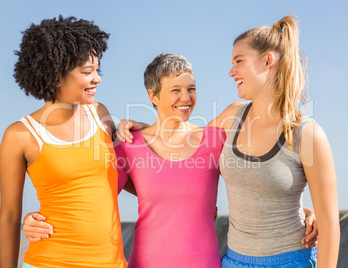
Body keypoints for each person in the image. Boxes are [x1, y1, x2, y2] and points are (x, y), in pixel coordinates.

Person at [22, 53, 318, 267]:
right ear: (153, 95)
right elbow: (92, 199)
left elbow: (256, 183)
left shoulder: (214, 140)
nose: (186, 98)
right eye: (175, 90)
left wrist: (303, 210)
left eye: (191, 89)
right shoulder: (129, 145)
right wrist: (35, 219)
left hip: (205, 263)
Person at [207, 15, 339, 267]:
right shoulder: (232, 116)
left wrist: (310, 212)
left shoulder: (307, 134)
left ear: (268, 60)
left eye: (239, 61)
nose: (231, 71)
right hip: (235, 261)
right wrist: (145, 127)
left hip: (290, 260)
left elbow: (331, 225)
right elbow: (182, 144)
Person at [0, 16, 127, 268]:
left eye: (97, 70)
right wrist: (27, 220)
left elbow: (131, 178)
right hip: (48, 261)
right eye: (87, 72)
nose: (97, 78)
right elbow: (10, 217)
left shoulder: (101, 115)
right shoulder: (20, 135)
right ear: (56, 76)